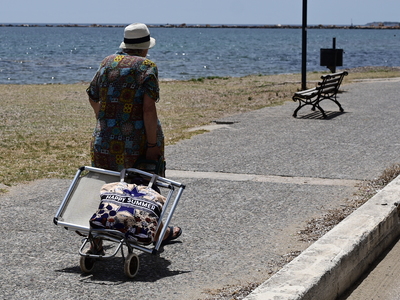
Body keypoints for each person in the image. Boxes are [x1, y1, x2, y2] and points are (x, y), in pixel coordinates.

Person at [86, 23, 181, 250]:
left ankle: (96, 240)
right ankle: (154, 230)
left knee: (106, 188)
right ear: (145, 47)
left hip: (104, 140)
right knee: (146, 187)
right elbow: (148, 109)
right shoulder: (147, 67)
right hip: (136, 142)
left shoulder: (107, 63)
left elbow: (92, 95)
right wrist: (151, 144)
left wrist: (106, 121)